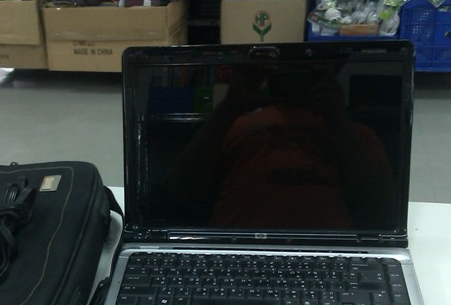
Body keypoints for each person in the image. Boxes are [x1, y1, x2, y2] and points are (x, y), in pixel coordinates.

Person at [168, 64, 397, 230]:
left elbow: (382, 212)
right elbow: (179, 194)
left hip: (327, 250)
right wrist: (228, 108)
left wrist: (338, 121)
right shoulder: (231, 125)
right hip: (236, 248)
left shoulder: (354, 134)